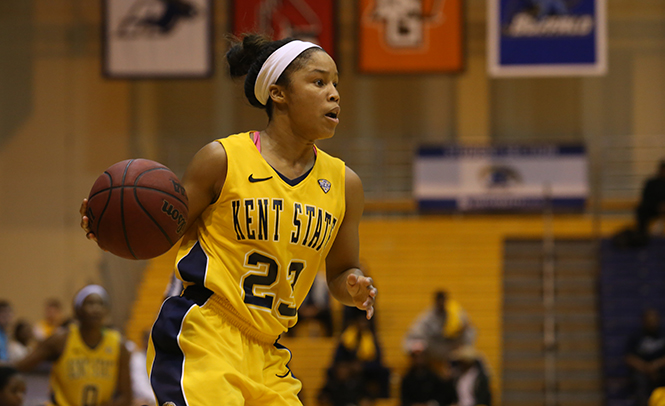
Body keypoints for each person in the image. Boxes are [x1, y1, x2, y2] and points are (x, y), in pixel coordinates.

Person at [80, 33, 376, 406]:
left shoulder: (345, 184)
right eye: (319, 82)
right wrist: (111, 222)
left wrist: (351, 285)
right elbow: (164, 229)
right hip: (205, 331)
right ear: (278, 93)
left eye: (335, 83)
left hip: (269, 352)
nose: (334, 93)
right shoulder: (222, 159)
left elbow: (340, 271)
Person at [14, 285, 132, 406]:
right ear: (78, 309)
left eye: (101, 304)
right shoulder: (61, 339)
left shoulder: (118, 345)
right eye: (90, 304)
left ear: (106, 310)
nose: (96, 309)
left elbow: (126, 397)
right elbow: (19, 367)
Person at [403, 290, 475, 364]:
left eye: (443, 302)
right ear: (435, 303)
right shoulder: (428, 317)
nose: (441, 304)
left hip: (453, 351)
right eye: (439, 302)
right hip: (433, 353)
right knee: (417, 346)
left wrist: (463, 332)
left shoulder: (457, 315)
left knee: (470, 355)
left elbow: (470, 333)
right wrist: (413, 347)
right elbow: (414, 333)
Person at [333, 307, 390, 398]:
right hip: (348, 370)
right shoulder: (345, 338)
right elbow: (337, 359)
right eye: (360, 321)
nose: (362, 324)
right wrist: (349, 366)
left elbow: (378, 361)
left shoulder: (372, 339)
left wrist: (363, 366)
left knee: (383, 372)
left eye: (364, 322)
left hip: (366, 371)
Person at [626, 308, 665, 406]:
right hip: (642, 371)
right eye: (649, 321)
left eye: (654, 320)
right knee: (639, 381)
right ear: (644, 321)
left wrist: (655, 365)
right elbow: (629, 358)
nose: (652, 323)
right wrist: (646, 368)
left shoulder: (663, 334)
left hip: (660, 368)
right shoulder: (636, 336)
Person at [636, 160, 665, 238]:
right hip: (653, 208)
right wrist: (657, 206)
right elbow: (646, 198)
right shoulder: (652, 183)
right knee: (641, 210)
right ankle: (642, 236)